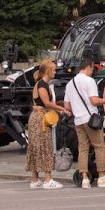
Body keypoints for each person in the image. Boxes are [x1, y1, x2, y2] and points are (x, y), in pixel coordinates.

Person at [64, 58, 105, 189]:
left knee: (83, 149)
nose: (93, 71)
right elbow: (94, 101)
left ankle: (85, 179)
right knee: (99, 146)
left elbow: (67, 106)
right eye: (92, 68)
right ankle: (102, 177)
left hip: (78, 120)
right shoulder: (89, 81)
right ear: (88, 67)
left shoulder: (70, 84)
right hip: (90, 120)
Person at [26, 59, 69, 189]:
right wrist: (63, 109)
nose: (55, 72)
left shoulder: (39, 84)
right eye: (54, 70)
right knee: (45, 146)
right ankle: (48, 179)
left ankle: (34, 179)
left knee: (36, 147)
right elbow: (47, 103)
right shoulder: (42, 85)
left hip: (36, 117)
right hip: (40, 119)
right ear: (47, 71)